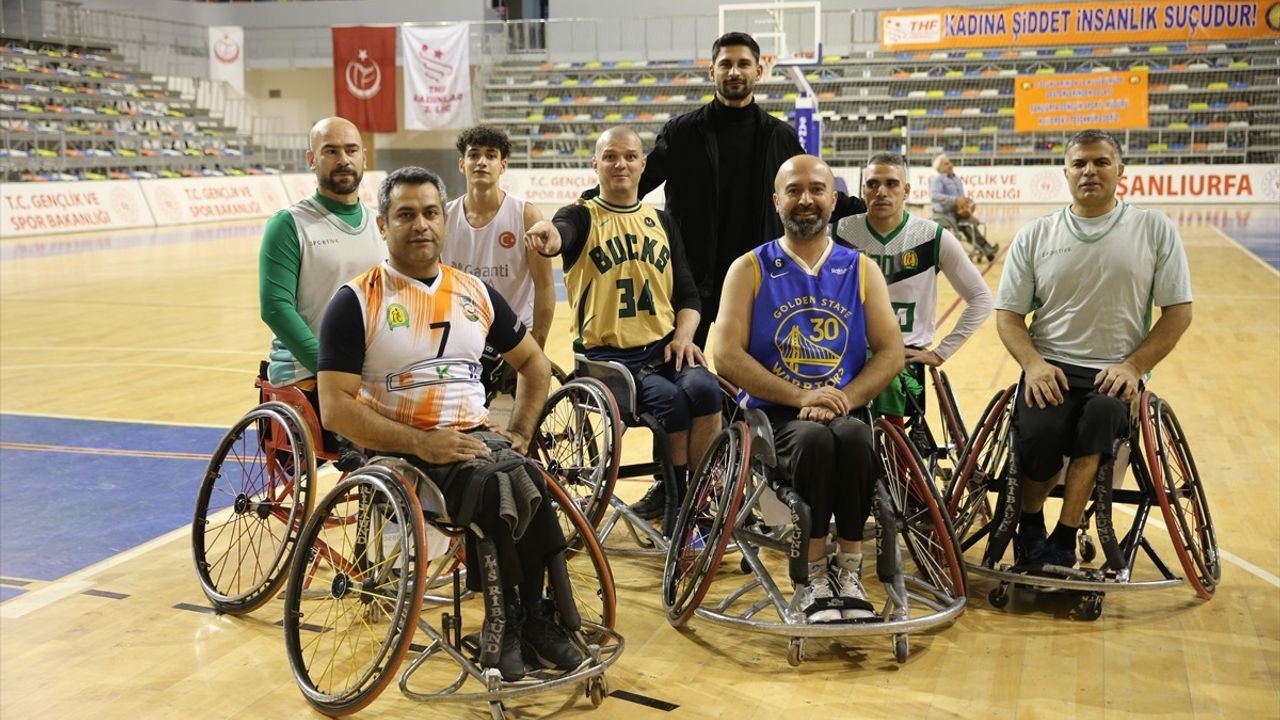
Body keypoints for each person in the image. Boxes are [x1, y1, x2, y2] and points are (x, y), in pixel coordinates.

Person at [316, 167, 582, 681]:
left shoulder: (475, 292)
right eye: (406, 215)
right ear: (382, 224)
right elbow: (337, 409)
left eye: (431, 213)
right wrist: (423, 442)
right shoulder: (355, 301)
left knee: (527, 476)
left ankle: (534, 617)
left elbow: (535, 366)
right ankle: (505, 620)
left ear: (445, 222)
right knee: (491, 485)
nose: (421, 225)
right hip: (399, 450)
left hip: (473, 439)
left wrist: (522, 431)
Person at [584, 31, 865, 347]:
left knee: (756, 377)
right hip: (689, 278)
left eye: (743, 64)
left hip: (760, 278)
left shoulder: (780, 137)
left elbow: (813, 193)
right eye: (726, 64)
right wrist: (587, 205)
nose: (734, 72)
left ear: (759, 71)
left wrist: (864, 209)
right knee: (681, 371)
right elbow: (637, 183)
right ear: (712, 70)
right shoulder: (682, 132)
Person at [714, 155, 903, 621]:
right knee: (816, 439)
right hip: (774, 415)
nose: (806, 200)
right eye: (794, 190)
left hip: (845, 409)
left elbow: (891, 352)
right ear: (777, 201)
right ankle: (815, 572)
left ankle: (851, 568)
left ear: (833, 200)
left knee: (858, 435)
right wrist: (801, 397)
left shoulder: (859, 269)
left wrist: (846, 398)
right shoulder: (750, 268)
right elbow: (725, 355)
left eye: (817, 190)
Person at [995, 129, 1193, 570]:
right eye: (1080, 163)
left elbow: (1178, 312)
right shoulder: (1036, 235)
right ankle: (1030, 528)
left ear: (1120, 171)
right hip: (1052, 367)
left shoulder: (1154, 229)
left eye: (1101, 162)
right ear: (1064, 173)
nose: (1090, 171)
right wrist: (1033, 364)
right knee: (1041, 435)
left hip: (1115, 368)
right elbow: (1008, 316)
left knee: (1103, 419)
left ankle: (1064, 539)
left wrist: (1134, 366)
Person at [527, 127, 722, 523]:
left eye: (630, 157)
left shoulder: (662, 222)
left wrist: (684, 336)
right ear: (594, 164)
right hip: (608, 360)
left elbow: (687, 294)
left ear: (643, 164)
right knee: (672, 402)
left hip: (662, 349)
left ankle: (698, 497)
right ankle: (677, 500)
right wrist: (550, 238)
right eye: (611, 156)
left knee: (706, 389)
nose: (621, 164)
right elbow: (561, 234)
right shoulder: (580, 215)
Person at [835, 152, 993, 428]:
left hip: (905, 355)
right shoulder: (839, 233)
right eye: (872, 184)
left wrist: (942, 351)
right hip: (848, 353)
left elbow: (981, 298)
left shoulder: (932, 236)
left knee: (898, 449)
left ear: (906, 190)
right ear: (863, 190)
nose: (881, 192)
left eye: (891, 184)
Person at [444, 125, 557, 399]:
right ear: (462, 164)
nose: (481, 161)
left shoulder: (525, 215)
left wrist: (536, 350)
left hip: (515, 337)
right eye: (474, 155)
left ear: (503, 165)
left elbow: (544, 287)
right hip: (464, 337)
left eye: (491, 155)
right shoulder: (444, 217)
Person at [928, 153, 998, 261]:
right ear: (940, 168)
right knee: (963, 229)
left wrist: (967, 203)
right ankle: (970, 254)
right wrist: (954, 200)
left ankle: (986, 249)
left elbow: (961, 198)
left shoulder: (956, 179)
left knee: (973, 224)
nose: (950, 165)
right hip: (944, 214)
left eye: (950, 162)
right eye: (946, 164)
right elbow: (934, 196)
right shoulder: (938, 180)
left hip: (958, 212)